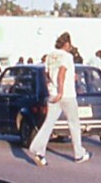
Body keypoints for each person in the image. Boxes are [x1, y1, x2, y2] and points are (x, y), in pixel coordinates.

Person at [29, 32, 87, 166]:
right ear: (66, 44)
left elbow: (48, 73)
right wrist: (61, 90)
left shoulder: (50, 56)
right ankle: (79, 154)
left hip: (53, 94)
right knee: (74, 124)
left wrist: (53, 88)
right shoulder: (67, 56)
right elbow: (61, 73)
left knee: (48, 123)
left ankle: (38, 150)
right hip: (66, 94)